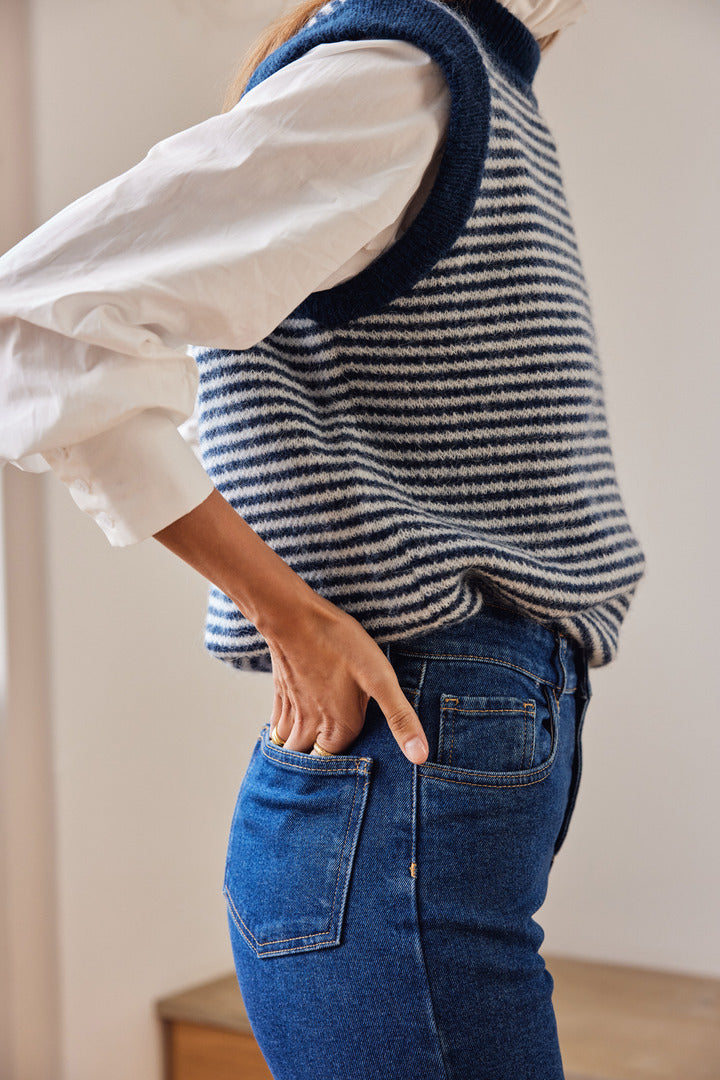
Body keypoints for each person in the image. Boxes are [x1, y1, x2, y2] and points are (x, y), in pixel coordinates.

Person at [0, 0, 646, 1076]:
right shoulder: (400, 72)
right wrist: (288, 615)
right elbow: (40, 322)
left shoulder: (478, 76)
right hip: (414, 741)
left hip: (454, 743)